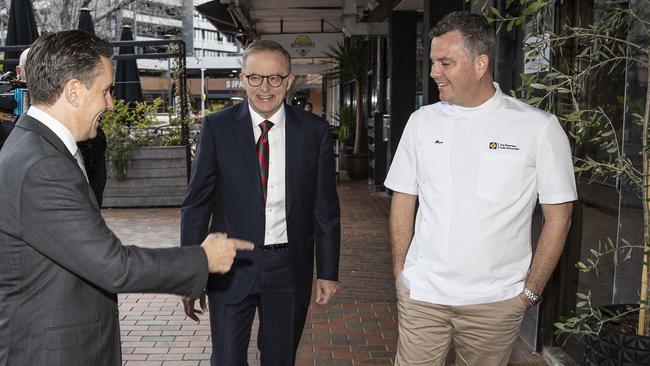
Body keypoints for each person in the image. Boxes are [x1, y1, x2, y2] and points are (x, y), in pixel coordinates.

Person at [0, 30, 254, 366]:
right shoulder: (43, 165)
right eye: (105, 91)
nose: (110, 103)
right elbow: (113, 266)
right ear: (74, 91)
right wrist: (202, 259)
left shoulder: (36, 147)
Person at [384, 12, 577, 366]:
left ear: (480, 64)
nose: (433, 73)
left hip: (494, 303)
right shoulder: (421, 123)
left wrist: (529, 293)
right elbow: (403, 197)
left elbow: (559, 218)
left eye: (445, 63)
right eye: (432, 62)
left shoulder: (539, 128)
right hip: (423, 296)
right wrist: (401, 274)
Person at [181, 39, 341, 366]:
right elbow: (197, 205)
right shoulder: (217, 128)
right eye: (255, 77)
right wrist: (191, 270)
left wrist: (327, 271)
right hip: (230, 264)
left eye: (275, 78)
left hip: (288, 267)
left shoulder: (314, 131)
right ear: (242, 78)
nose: (264, 88)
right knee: (226, 360)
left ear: (290, 80)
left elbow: (325, 208)